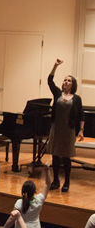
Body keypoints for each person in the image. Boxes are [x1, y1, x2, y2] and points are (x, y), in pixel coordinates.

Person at [47, 59, 85, 192]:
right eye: (65, 80)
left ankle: (67, 181)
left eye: (69, 80)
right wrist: (55, 66)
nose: (66, 82)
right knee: (55, 155)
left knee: (66, 156)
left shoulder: (76, 98)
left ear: (72, 84)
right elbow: (50, 81)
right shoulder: (57, 93)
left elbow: (81, 115)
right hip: (56, 129)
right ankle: (56, 180)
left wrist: (81, 130)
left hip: (69, 130)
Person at [3, 162, 52, 228]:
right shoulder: (39, 200)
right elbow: (48, 184)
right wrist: (47, 170)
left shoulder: (19, 203)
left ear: (22, 191)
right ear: (34, 191)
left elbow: (12, 219)